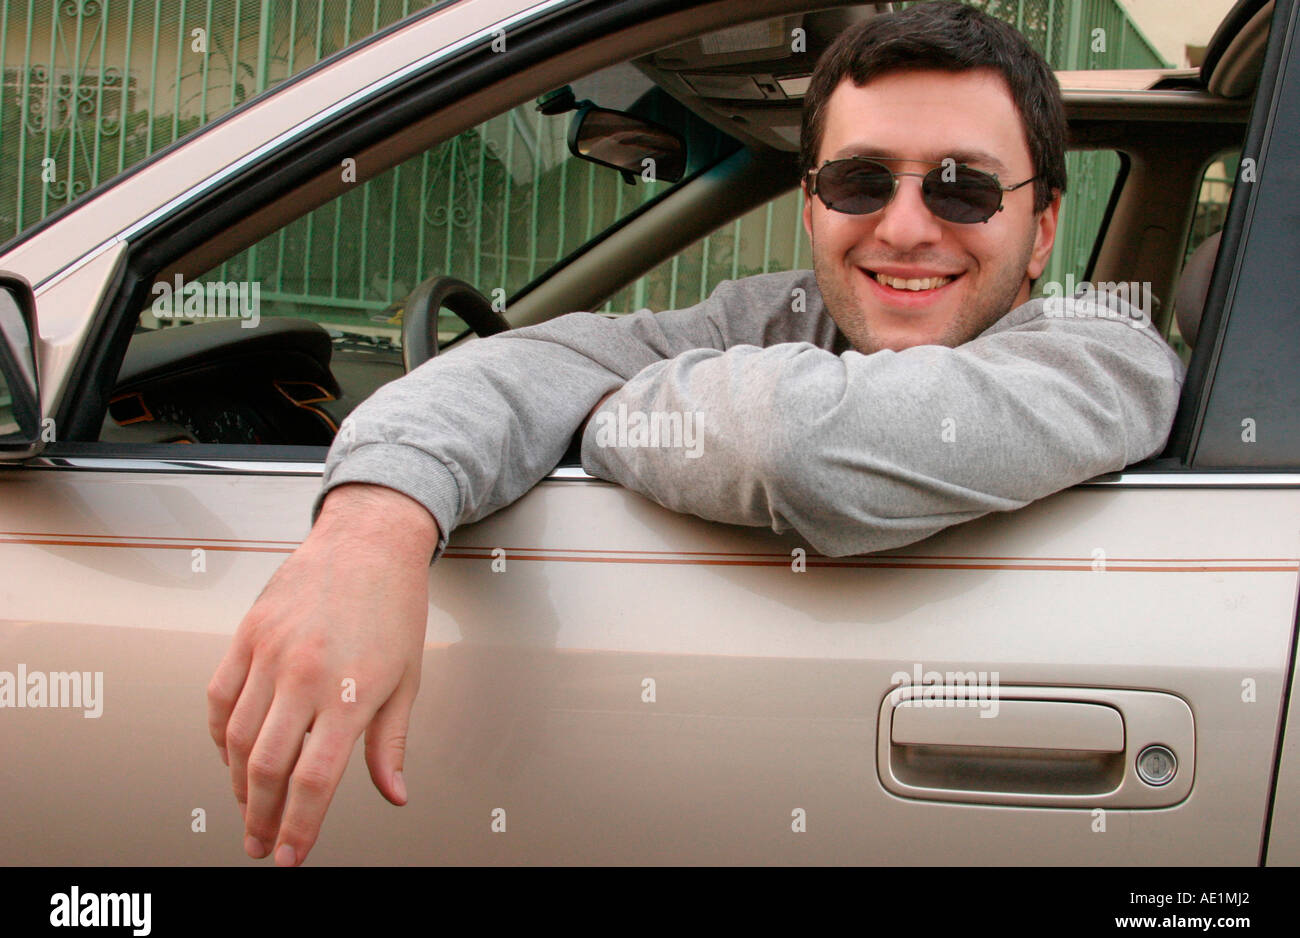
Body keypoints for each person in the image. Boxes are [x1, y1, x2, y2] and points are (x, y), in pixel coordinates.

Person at [207, 0, 1185, 866]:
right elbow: (522, 360)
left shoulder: (1107, 350)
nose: (903, 227)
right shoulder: (782, 313)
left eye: (962, 187)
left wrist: (587, 410)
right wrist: (373, 526)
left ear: (1044, 226)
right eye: (857, 182)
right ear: (811, 205)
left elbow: (797, 445)